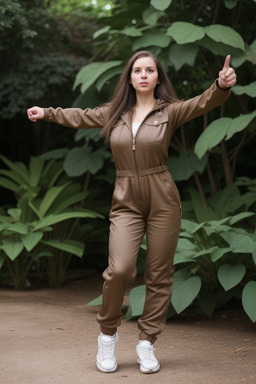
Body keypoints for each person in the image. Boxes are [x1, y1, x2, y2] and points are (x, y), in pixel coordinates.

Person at [27, 50, 237, 374]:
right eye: (137, 70)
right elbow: (80, 115)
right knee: (121, 269)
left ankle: (146, 343)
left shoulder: (170, 112)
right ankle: (107, 335)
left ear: (157, 77)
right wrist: (47, 112)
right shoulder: (113, 112)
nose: (142, 75)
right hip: (125, 199)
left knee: (159, 273)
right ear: (129, 77)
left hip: (163, 198)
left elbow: (204, 102)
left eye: (149, 70)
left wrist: (221, 86)